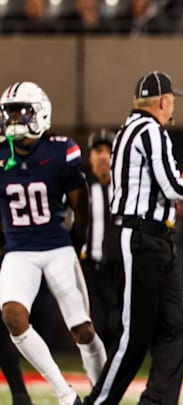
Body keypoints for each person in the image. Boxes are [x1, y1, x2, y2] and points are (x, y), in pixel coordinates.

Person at [82, 71, 183, 405]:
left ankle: (157, 401)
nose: (172, 105)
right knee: (135, 335)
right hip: (142, 239)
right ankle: (96, 403)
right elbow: (170, 188)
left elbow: (158, 183)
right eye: (172, 99)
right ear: (163, 101)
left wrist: (180, 178)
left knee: (177, 324)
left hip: (155, 241)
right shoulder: (150, 131)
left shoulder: (130, 131)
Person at [0, 81, 107, 405]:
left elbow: (80, 205)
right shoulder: (1, 154)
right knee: (13, 317)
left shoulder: (61, 150)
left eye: (22, 111)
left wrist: (76, 244)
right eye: (10, 112)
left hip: (57, 246)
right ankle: (65, 394)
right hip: (19, 250)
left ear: (41, 113)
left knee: (83, 331)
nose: (14, 119)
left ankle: (104, 392)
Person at [80, 129, 121, 349]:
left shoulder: (125, 187)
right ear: (90, 156)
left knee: (116, 324)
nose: (104, 156)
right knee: (94, 325)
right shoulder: (81, 187)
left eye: (109, 151)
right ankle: (99, 377)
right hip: (89, 267)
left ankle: (113, 377)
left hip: (117, 268)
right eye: (98, 151)